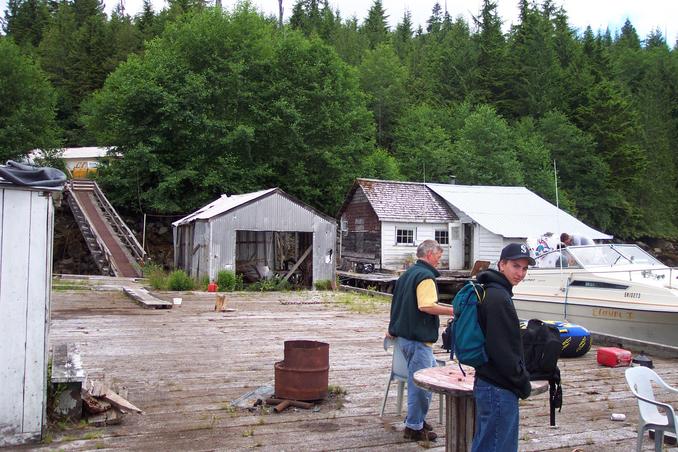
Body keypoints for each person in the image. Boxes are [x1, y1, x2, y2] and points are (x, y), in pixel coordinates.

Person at [387, 240, 454, 442]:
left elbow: (398, 304)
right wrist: (455, 310)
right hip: (418, 340)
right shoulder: (426, 276)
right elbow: (426, 306)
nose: (440, 261)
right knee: (422, 386)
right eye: (439, 257)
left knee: (428, 378)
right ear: (430, 254)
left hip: (404, 339)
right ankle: (414, 427)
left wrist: (391, 329)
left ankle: (416, 419)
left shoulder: (406, 274)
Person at [471, 243, 533, 452]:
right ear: (502, 265)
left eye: (525, 268)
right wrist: (522, 382)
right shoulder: (498, 298)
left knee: (486, 443)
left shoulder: (492, 291)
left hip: (487, 381)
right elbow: (502, 350)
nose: (521, 273)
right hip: (499, 386)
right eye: (516, 266)